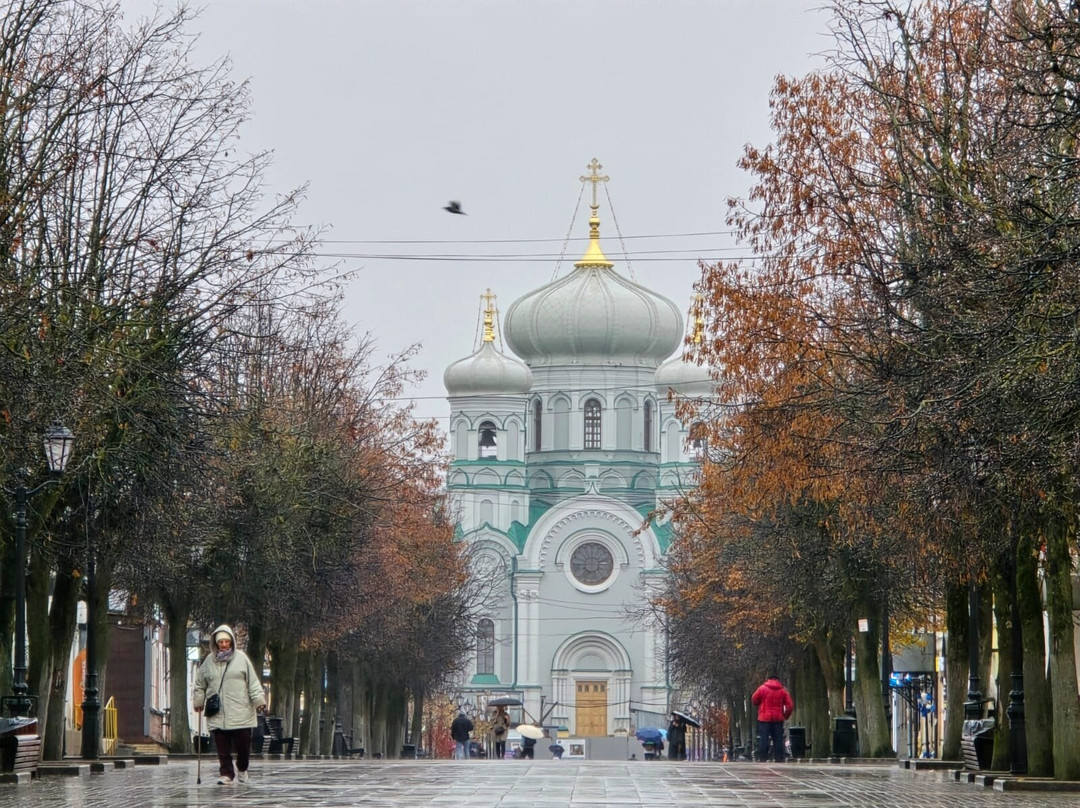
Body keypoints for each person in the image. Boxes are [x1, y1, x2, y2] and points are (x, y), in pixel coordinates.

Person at [192, 624, 266, 785]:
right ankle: (226, 773)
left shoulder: (242, 659)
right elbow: (200, 683)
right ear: (216, 643)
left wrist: (259, 701)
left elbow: (252, 682)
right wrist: (198, 701)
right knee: (222, 747)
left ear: (231, 641)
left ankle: (242, 767)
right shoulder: (209, 662)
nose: (224, 645)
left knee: (243, 746)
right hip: (218, 711)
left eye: (226, 641)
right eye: (221, 642)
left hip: (241, 710)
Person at [752, 672, 794, 762]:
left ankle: (763, 758)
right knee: (778, 740)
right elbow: (790, 706)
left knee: (764, 739)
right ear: (778, 680)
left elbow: (754, 699)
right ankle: (779, 758)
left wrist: (759, 704)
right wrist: (785, 716)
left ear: (768, 679)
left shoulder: (762, 688)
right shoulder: (783, 691)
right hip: (778, 719)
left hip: (764, 719)